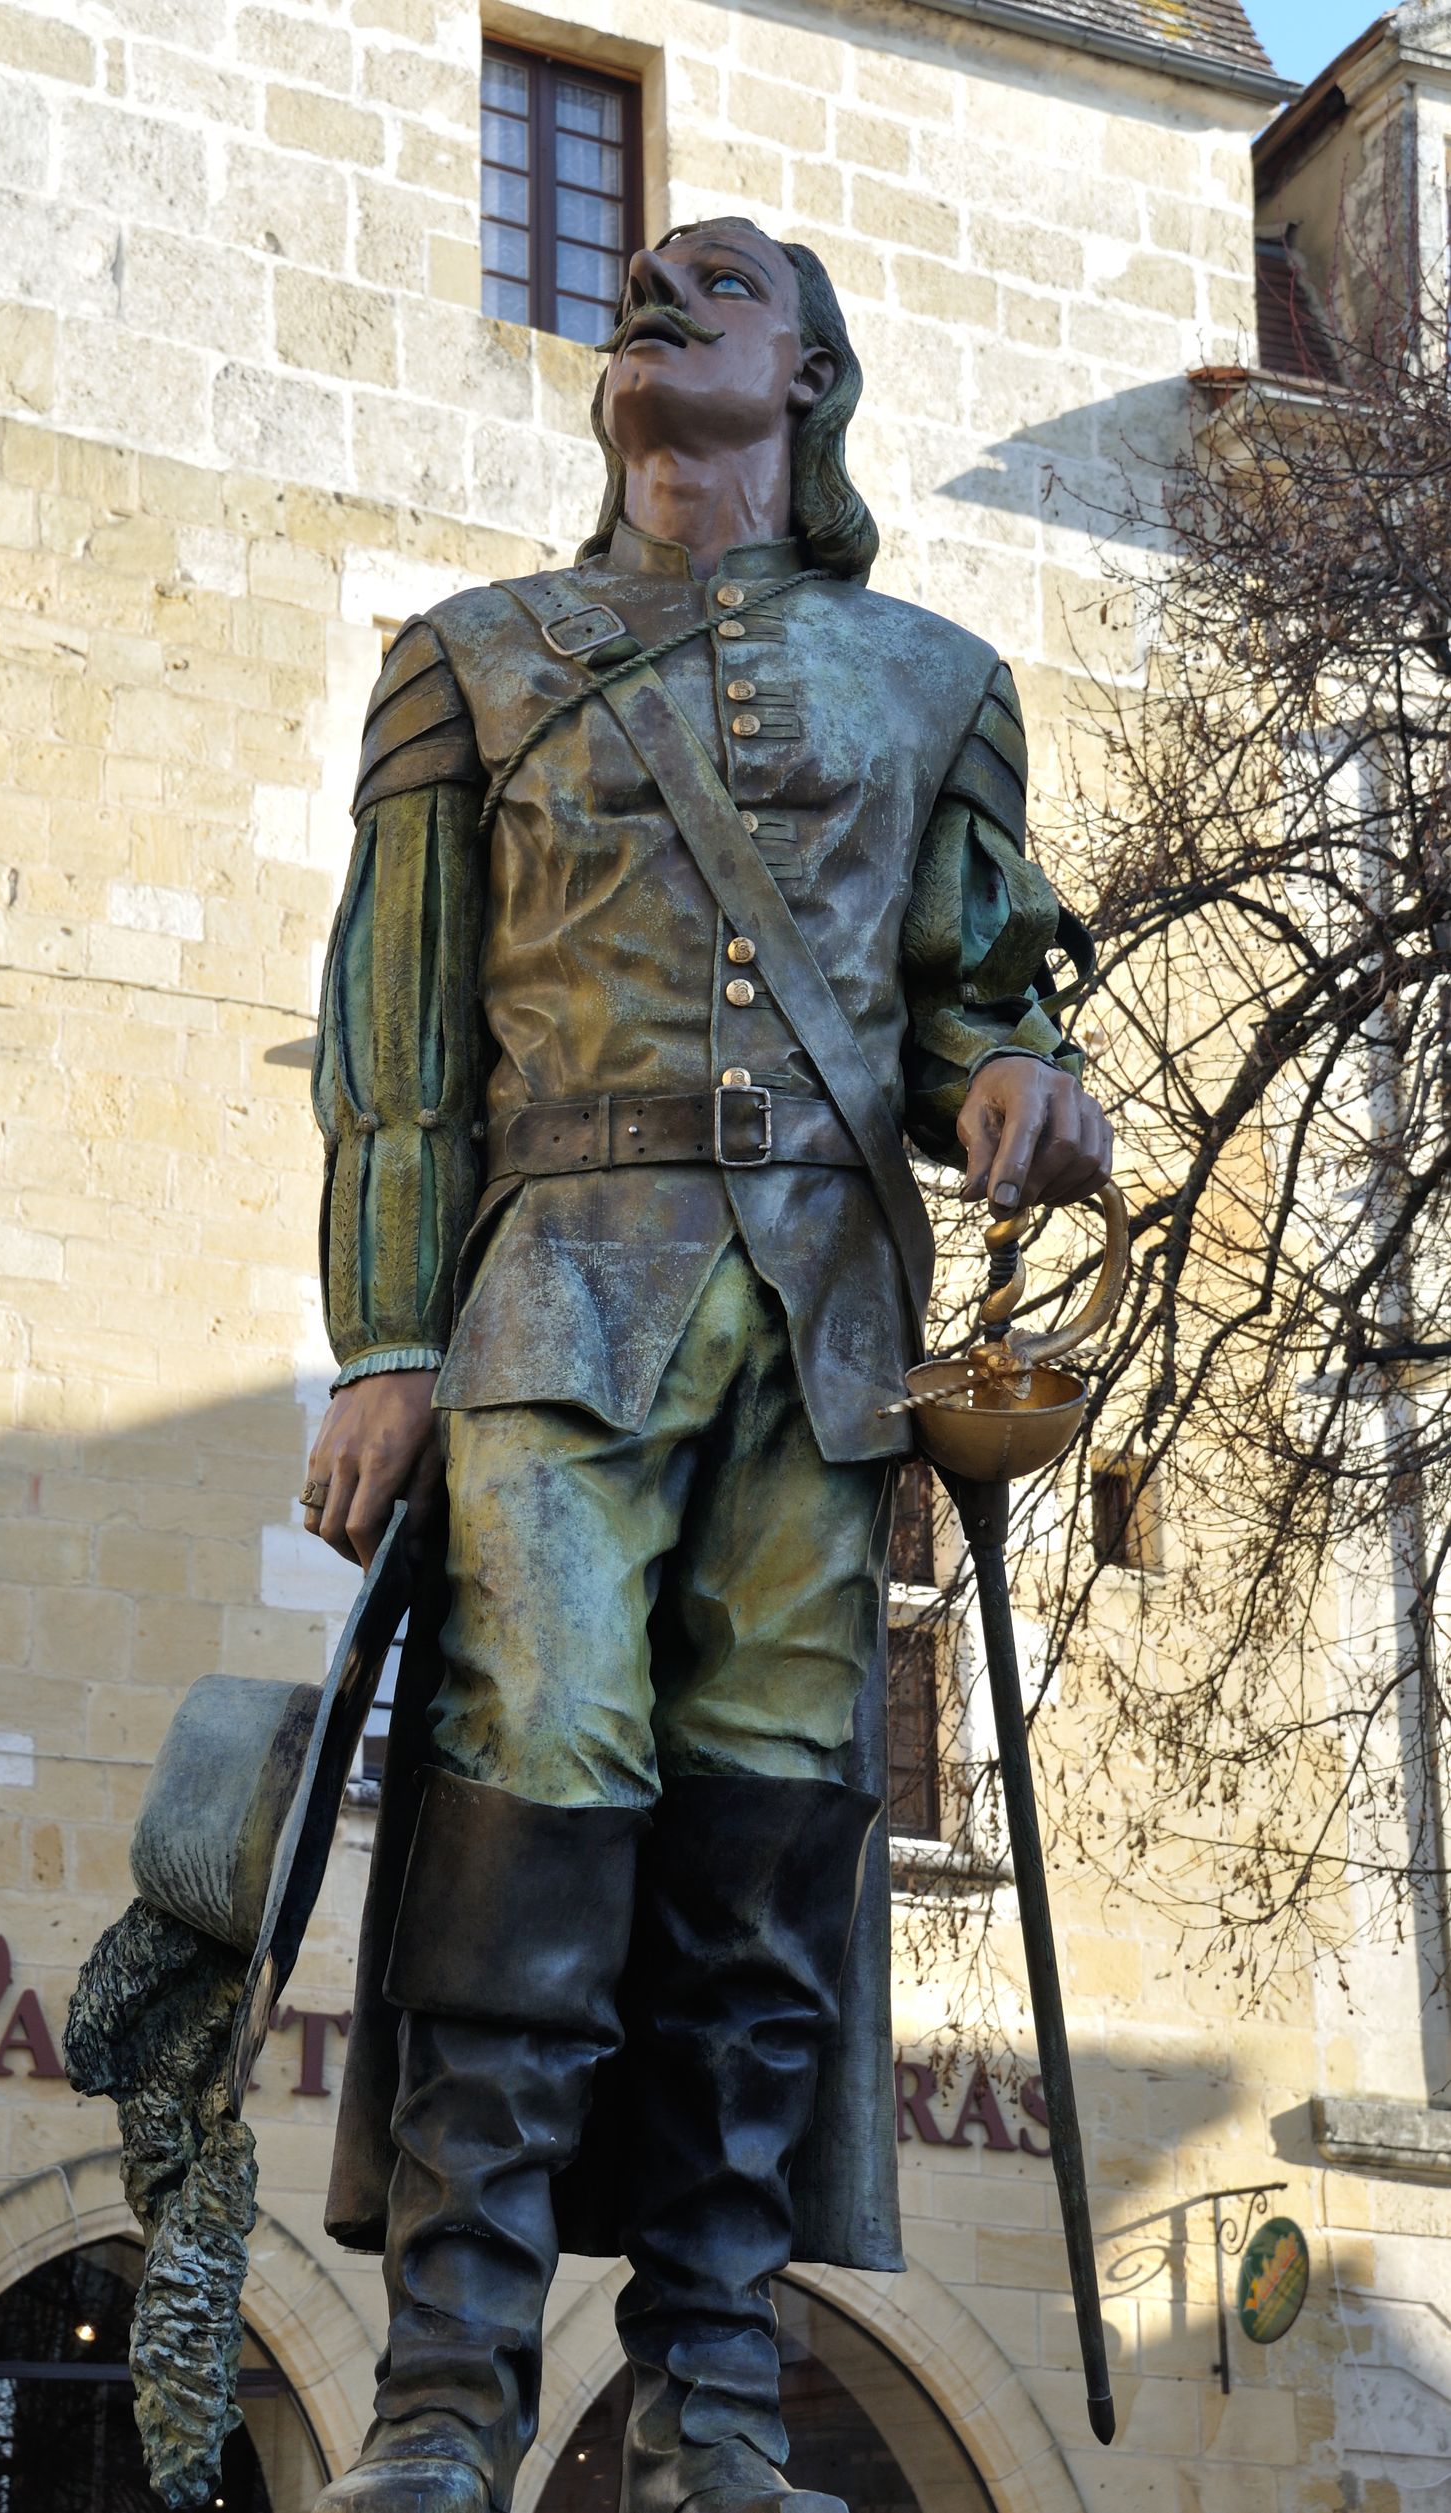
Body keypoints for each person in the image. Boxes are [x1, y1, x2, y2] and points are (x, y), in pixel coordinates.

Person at [301, 217, 1112, 2513]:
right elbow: (395, 1057)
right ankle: (444, 2394)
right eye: (640, 290)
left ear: (814, 376)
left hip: (820, 1346)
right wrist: (382, 1342)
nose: (656, 291)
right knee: (527, 1791)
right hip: (554, 1305)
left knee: (765, 1861)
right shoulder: (467, 664)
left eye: (722, 284)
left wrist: (1021, 1092)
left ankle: (716, 2405)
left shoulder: (938, 686)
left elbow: (973, 1008)